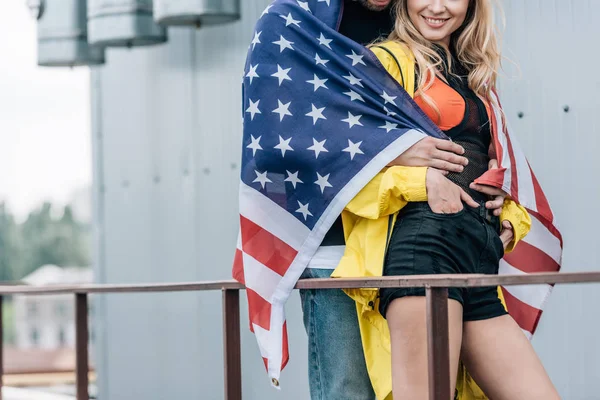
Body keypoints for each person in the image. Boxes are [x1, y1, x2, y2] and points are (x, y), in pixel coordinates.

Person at [332, 0, 560, 398]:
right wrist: (422, 182)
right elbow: (341, 169)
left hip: (479, 258)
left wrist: (509, 219)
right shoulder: (384, 63)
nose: (437, 7)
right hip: (425, 251)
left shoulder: (476, 74)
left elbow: (495, 167)